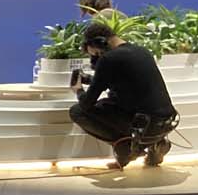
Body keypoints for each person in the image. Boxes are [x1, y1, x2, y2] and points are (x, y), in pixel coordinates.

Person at [70, 20, 178, 168]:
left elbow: (87, 103)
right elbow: (125, 81)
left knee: (77, 111)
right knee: (114, 103)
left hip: (142, 124)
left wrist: (78, 90)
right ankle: (156, 143)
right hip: (166, 120)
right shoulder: (142, 51)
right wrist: (92, 79)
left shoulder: (108, 59)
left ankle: (128, 148)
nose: (98, 58)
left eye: (97, 53)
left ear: (100, 42)